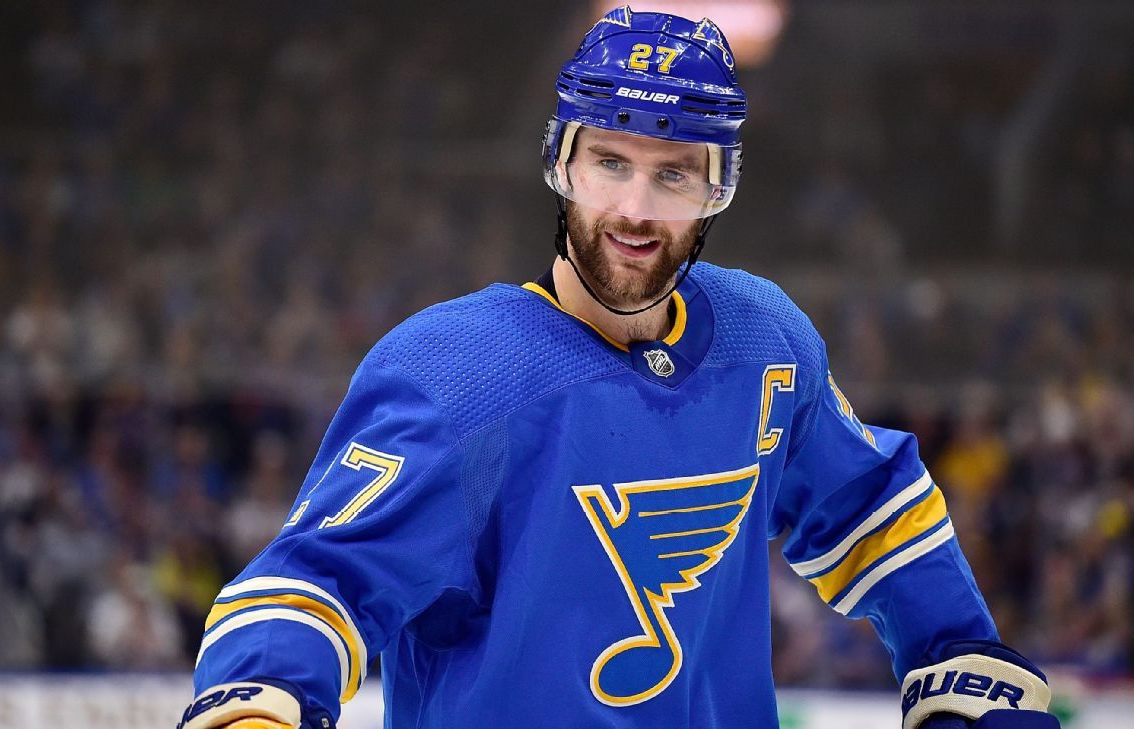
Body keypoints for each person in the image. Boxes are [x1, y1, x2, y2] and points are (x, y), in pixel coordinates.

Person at [180, 7, 1060, 729]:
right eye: (610, 163)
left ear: (719, 188)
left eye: (674, 175)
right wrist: (260, 706)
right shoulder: (454, 374)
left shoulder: (767, 342)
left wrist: (953, 655)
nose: (635, 210)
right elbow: (317, 578)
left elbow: (871, 505)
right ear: (562, 163)